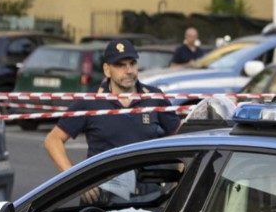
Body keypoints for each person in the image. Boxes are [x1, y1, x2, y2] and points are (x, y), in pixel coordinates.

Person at [45, 39, 183, 173]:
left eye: (132, 63)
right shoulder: (90, 100)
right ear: (107, 69)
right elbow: (53, 140)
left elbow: (180, 136)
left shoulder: (154, 96)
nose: (128, 70)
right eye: (120, 65)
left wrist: (180, 170)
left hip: (150, 192)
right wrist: (75, 179)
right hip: (106, 191)